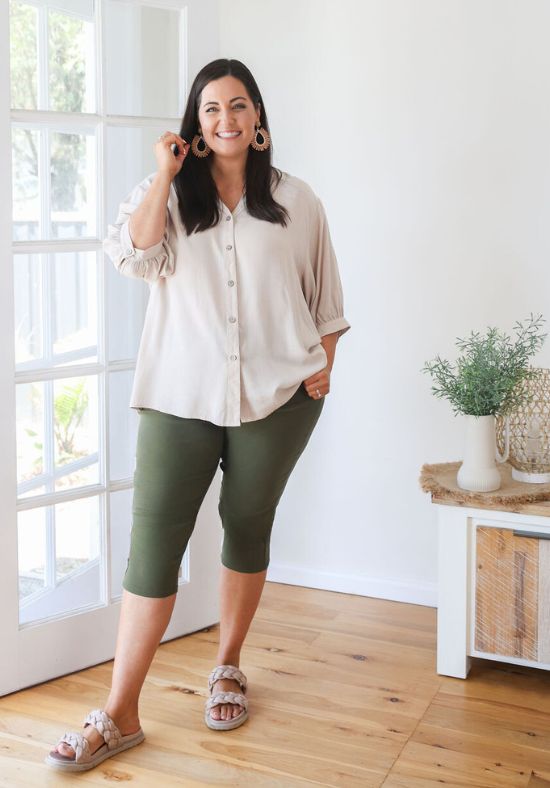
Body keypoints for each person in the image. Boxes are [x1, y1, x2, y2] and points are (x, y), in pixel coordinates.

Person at [45, 58, 350, 773]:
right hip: (179, 396)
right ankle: (120, 712)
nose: (226, 119)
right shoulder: (173, 194)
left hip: (278, 399)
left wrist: (325, 362)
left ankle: (228, 665)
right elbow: (131, 253)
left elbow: (327, 300)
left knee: (247, 526)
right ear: (196, 123)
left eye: (237, 105)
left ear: (257, 115)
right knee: (153, 546)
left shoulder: (297, 201)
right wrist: (164, 173)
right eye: (211, 109)